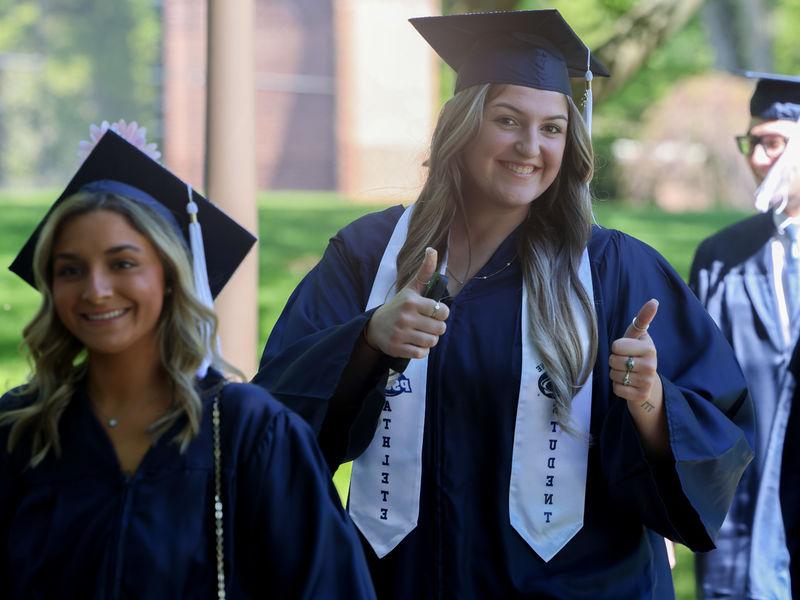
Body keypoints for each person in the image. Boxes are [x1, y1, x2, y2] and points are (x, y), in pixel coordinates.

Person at [255, 10, 754, 599]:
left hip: (575, 586)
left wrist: (650, 399)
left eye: (552, 128)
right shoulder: (372, 257)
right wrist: (367, 342)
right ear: (462, 128)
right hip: (403, 580)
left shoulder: (614, 269)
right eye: (508, 120)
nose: (530, 146)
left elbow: (720, 439)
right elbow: (276, 420)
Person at [0, 125, 376, 599]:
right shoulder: (21, 429)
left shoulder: (249, 433)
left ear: (171, 276)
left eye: (123, 263)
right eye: (70, 269)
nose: (95, 289)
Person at [690, 73, 800, 599]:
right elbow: (690, 389)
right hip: (740, 510)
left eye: (772, 143)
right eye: (751, 143)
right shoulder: (720, 257)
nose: (757, 158)